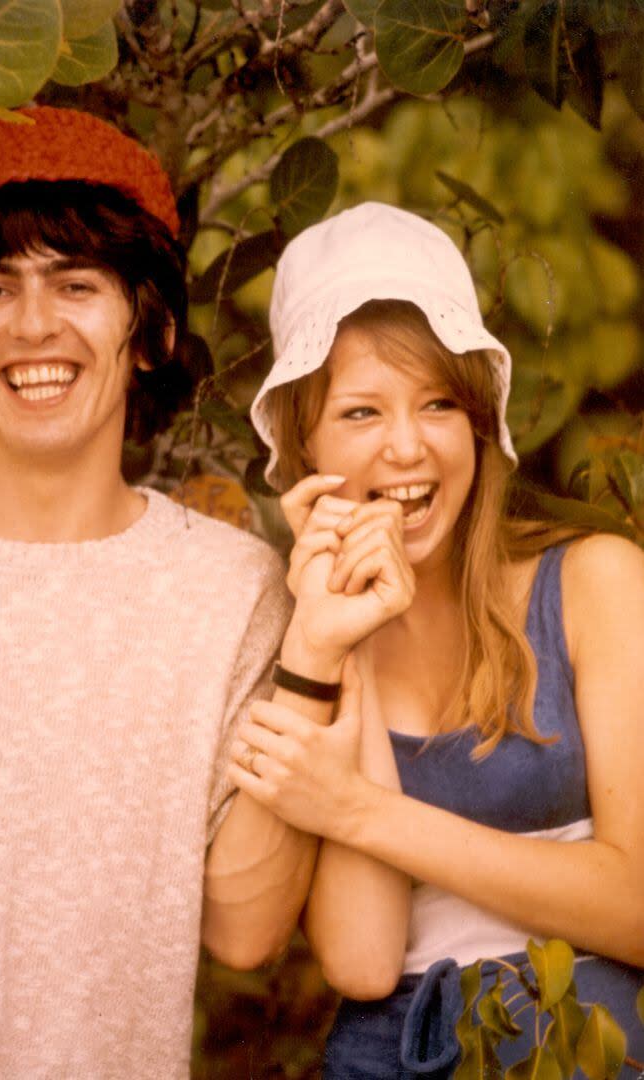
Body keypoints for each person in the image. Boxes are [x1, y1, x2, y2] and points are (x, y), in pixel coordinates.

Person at [0, 107, 339, 1080]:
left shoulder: (228, 589)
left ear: (149, 332)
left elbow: (246, 932)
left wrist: (316, 661)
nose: (34, 324)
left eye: (77, 285)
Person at [231, 202, 644, 1078]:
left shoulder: (592, 583)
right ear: (302, 448)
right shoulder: (304, 630)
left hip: (583, 1049)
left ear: (477, 426)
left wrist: (359, 812)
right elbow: (363, 963)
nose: (408, 447)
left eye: (436, 404)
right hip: (393, 1055)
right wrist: (342, 633)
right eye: (359, 414)